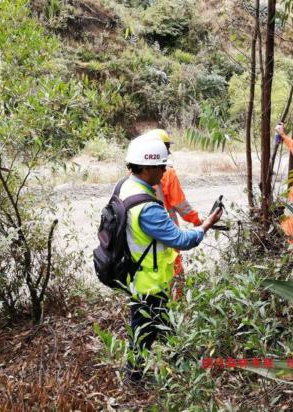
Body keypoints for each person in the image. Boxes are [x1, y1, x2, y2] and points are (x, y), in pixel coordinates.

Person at [121, 137, 223, 383]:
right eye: (161, 167)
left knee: (159, 324)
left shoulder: (126, 187)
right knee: (145, 329)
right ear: (146, 168)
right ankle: (136, 376)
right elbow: (182, 240)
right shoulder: (147, 207)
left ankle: (178, 363)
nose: (165, 171)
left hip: (138, 275)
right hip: (149, 281)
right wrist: (207, 223)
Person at [136, 129, 202, 298]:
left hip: (143, 236)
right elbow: (180, 205)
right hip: (168, 232)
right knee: (175, 269)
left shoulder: (135, 174)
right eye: (165, 147)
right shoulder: (168, 173)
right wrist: (197, 221)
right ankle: (177, 304)